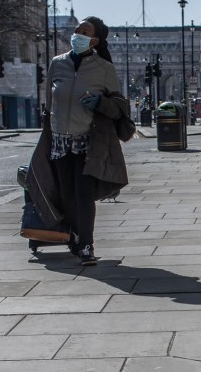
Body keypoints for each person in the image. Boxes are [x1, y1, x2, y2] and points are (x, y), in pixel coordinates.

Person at [26, 16, 129, 266]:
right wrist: (49, 129)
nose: (77, 34)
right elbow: (50, 103)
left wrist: (99, 103)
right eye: (76, 30)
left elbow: (119, 106)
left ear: (94, 40)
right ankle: (73, 236)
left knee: (82, 194)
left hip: (88, 140)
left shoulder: (103, 68)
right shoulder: (57, 63)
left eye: (84, 32)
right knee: (66, 194)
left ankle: (86, 244)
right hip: (60, 140)